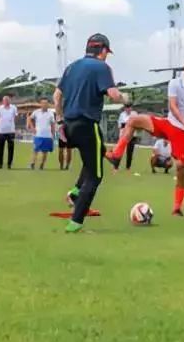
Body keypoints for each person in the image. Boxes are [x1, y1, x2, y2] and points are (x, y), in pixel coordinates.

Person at [108, 52, 184, 216]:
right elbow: (173, 106)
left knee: (181, 169)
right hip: (169, 124)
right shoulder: (175, 83)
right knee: (132, 120)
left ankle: (177, 207)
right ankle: (116, 155)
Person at [56, 34, 128, 233]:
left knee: (95, 155)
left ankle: (75, 193)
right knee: (95, 176)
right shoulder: (101, 67)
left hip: (69, 125)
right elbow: (113, 94)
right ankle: (75, 222)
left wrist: (60, 119)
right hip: (87, 125)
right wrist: (125, 99)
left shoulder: (71, 67)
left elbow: (57, 96)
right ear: (103, 50)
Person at [28, 98, 56, 170]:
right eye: (43, 103)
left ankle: (42, 165)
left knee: (45, 152)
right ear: (40, 104)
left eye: (46, 103)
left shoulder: (51, 113)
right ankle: (32, 163)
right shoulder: (36, 112)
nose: (44, 105)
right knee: (35, 150)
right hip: (38, 135)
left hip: (47, 135)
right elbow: (30, 119)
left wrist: (53, 135)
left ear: (48, 104)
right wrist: (32, 128)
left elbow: (53, 125)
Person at [0, 96, 19, 169]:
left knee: (11, 148)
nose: (6, 101)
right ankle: (0, 164)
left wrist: (13, 125)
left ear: (10, 101)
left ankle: (9, 164)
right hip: (2, 131)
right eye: (5, 100)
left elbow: (16, 117)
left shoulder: (13, 108)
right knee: (0, 148)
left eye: (8, 100)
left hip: (11, 131)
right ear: (3, 101)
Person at [115, 104, 137, 173]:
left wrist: (129, 124)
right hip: (123, 135)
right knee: (120, 151)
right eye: (127, 108)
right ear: (125, 108)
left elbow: (136, 123)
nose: (129, 109)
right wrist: (128, 124)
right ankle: (116, 166)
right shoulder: (122, 115)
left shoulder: (134, 114)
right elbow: (120, 125)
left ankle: (128, 167)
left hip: (132, 135)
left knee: (130, 152)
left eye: (130, 108)